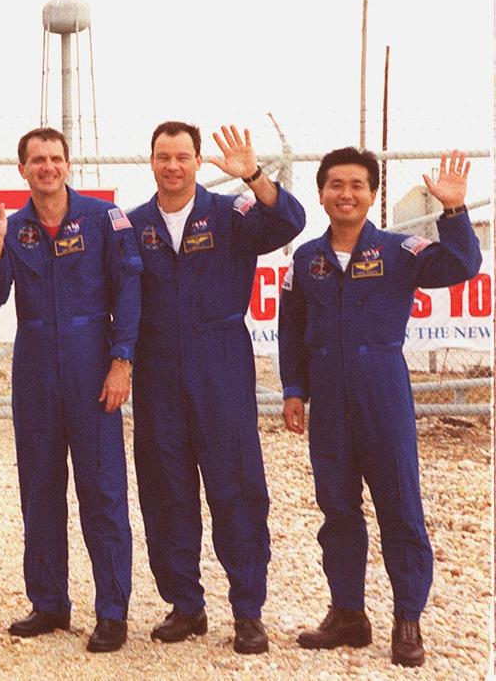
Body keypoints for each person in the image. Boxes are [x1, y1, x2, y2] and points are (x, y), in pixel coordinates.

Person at [280, 149, 479, 668]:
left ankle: (407, 619)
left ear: (372, 194)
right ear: (321, 192)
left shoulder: (399, 250)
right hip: (328, 400)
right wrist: (293, 390)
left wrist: (453, 213)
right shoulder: (306, 259)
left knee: (399, 508)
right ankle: (348, 615)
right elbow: (291, 330)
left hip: (382, 394)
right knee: (338, 509)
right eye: (336, 185)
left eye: (358, 186)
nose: (347, 194)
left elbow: (462, 264)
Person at [127, 122, 304, 654]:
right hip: (156, 367)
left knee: (237, 489)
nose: (173, 165)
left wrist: (252, 174)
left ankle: (247, 611)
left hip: (220, 361)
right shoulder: (133, 224)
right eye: (164, 156)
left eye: (183, 155)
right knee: (165, 489)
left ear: (199, 160)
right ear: (151, 161)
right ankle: (185, 604)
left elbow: (289, 221)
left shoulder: (232, 213)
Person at [0, 127, 140, 652]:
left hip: (93, 364)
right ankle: (48, 602)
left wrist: (122, 360)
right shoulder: (13, 226)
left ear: (68, 165)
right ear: (22, 169)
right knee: (40, 490)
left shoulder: (103, 219)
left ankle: (112, 611)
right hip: (36, 365)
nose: (47, 167)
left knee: (103, 492)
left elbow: (128, 289)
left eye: (55, 158)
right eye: (37, 160)